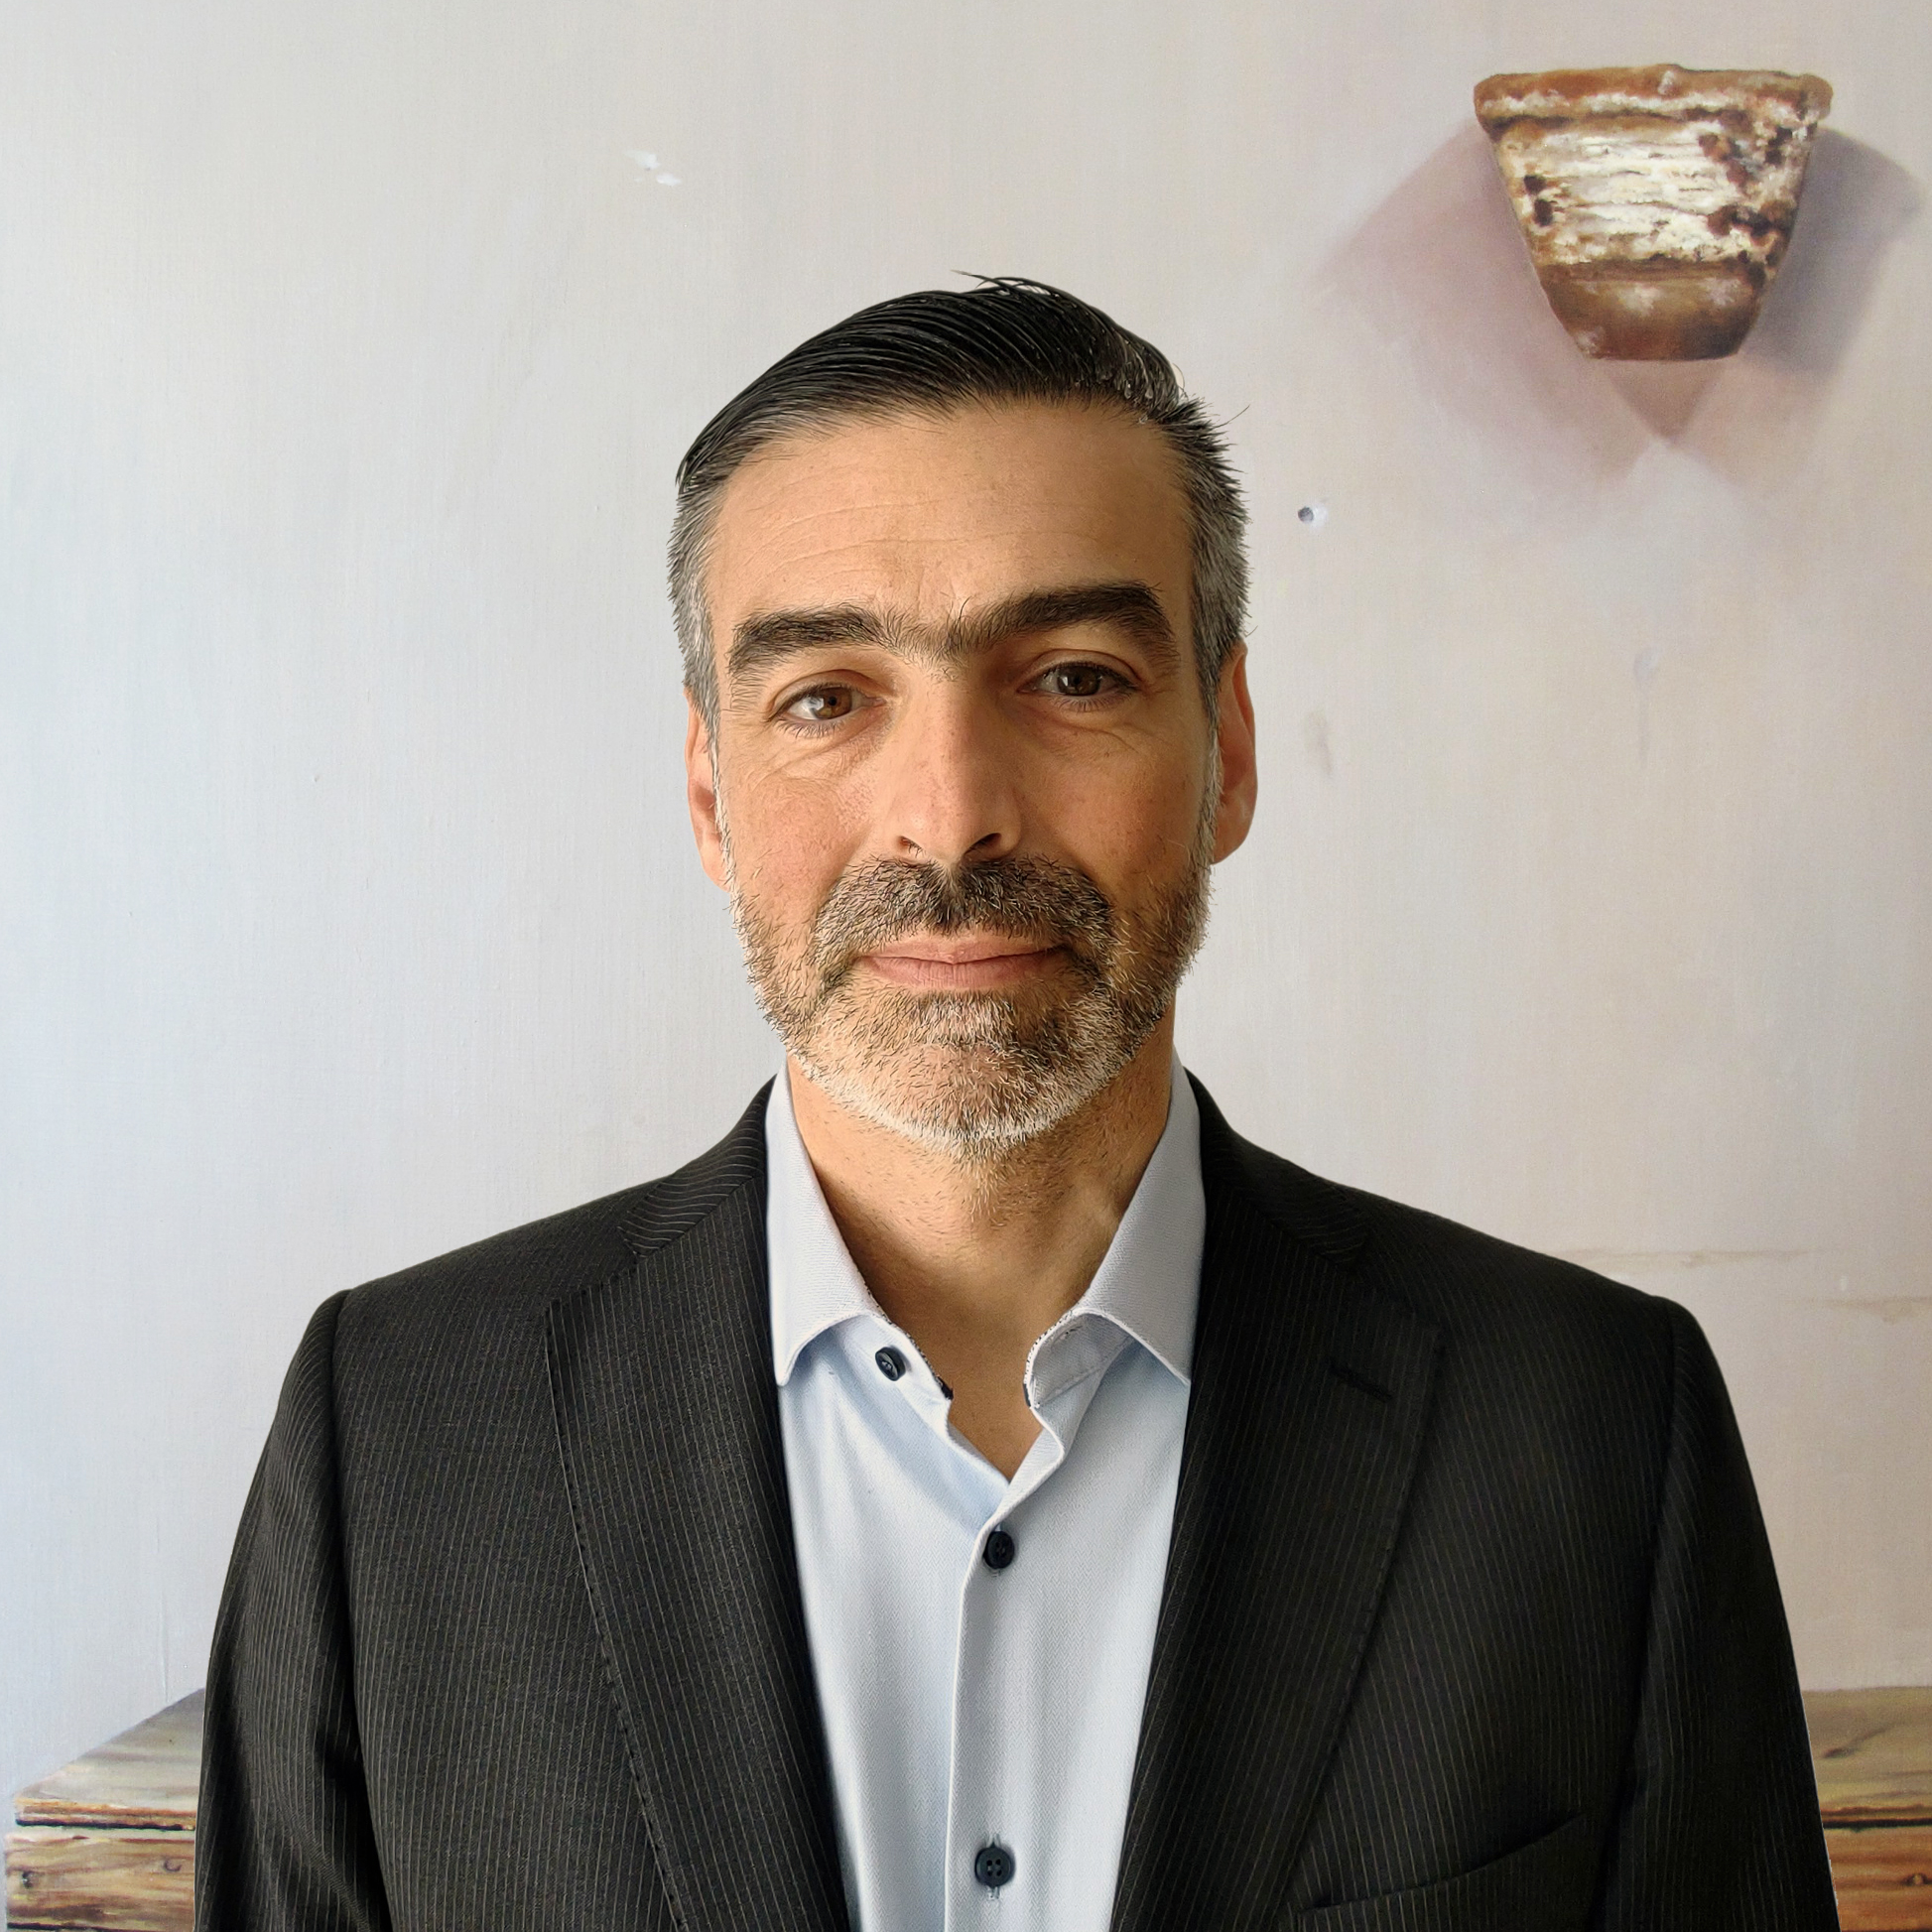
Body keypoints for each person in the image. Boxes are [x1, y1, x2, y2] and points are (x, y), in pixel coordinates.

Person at [195, 280, 1839, 1932]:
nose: (952, 817)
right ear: (708, 791)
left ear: (1228, 748)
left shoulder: (1592, 1429)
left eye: (1072, 679)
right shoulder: (394, 1437)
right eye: (828, 696)